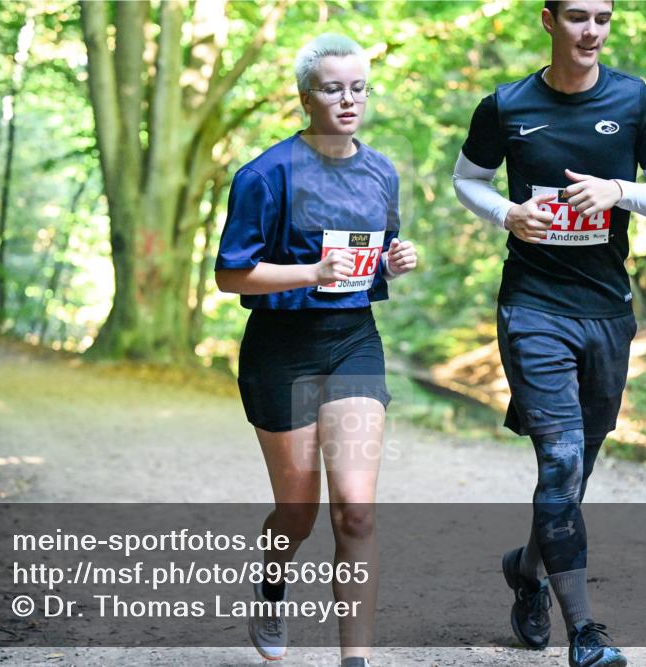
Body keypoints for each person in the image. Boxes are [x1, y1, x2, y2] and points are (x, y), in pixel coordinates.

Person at [453, 2, 646, 666]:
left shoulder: (635, 101)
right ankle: (585, 632)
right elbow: (467, 179)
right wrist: (507, 213)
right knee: (558, 461)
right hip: (533, 306)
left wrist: (619, 191)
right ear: (548, 20)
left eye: (603, 18)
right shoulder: (506, 105)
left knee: (576, 468)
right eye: (578, 17)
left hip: (607, 310)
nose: (592, 32)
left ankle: (526, 570)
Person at [214, 33, 417, 667]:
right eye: (333, 89)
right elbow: (230, 275)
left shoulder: (381, 172)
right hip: (282, 352)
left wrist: (393, 262)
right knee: (298, 513)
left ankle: (354, 660)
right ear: (307, 97)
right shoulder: (265, 174)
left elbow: (369, 262)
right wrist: (311, 273)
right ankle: (272, 585)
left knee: (354, 511)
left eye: (358, 88)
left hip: (354, 342)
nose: (348, 99)